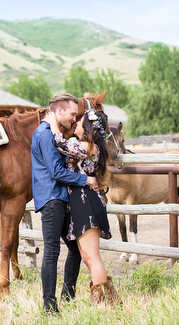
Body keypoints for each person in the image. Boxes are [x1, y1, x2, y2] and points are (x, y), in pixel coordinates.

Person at [31, 93, 98, 314]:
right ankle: (49, 306)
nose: (73, 118)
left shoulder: (53, 133)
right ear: (58, 111)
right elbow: (56, 172)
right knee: (51, 251)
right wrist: (86, 179)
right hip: (51, 199)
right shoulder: (44, 134)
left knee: (74, 248)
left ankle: (68, 296)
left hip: (60, 198)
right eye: (71, 114)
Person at [54, 109, 120, 306]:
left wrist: (51, 124)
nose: (77, 122)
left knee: (92, 257)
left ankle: (104, 302)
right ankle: (107, 301)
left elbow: (60, 144)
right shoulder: (90, 146)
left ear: (89, 126)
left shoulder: (84, 146)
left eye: (81, 120)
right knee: (87, 256)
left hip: (85, 203)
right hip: (83, 202)